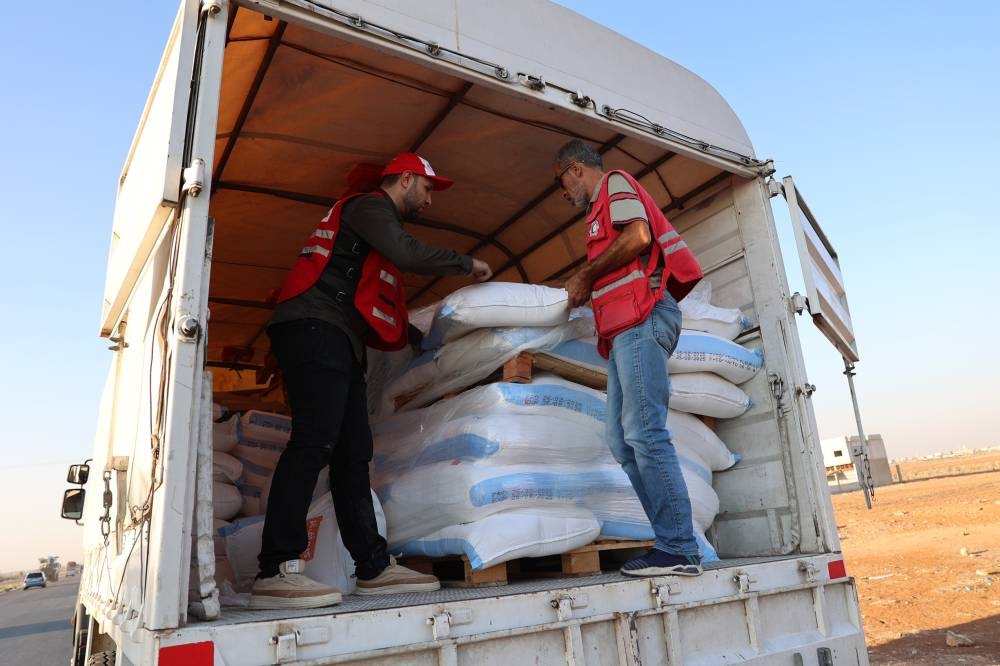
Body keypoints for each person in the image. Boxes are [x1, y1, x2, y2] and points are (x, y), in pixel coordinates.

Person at [250, 153, 493, 609]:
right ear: (405, 180)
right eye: (427, 188)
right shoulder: (368, 207)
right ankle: (276, 568)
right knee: (314, 442)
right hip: (313, 328)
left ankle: (373, 567)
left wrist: (436, 340)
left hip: (336, 337)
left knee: (352, 453)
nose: (429, 199)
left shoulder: (371, 238)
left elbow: (389, 315)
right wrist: (467, 264)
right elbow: (408, 251)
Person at [552, 139, 705, 577]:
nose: (563, 193)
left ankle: (679, 547)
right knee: (622, 441)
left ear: (575, 168)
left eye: (561, 181)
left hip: (644, 319)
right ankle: (671, 541)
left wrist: (585, 273)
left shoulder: (614, 185)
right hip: (624, 331)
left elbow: (638, 236)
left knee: (645, 431)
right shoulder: (596, 214)